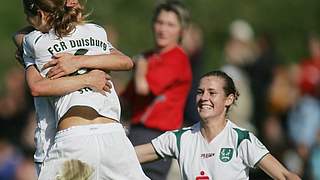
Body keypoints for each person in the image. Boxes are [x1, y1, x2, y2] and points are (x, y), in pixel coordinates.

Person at [16, 0, 149, 179]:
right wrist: (88, 77)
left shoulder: (35, 41)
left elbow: (19, 39)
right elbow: (126, 62)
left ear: (40, 14)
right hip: (113, 136)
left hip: (75, 140)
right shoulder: (96, 31)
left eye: (28, 16)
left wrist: (77, 64)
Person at [135, 70, 301, 180]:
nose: (204, 98)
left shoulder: (241, 139)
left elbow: (284, 176)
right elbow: (130, 155)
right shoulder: (180, 138)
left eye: (212, 93)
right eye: (200, 92)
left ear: (229, 99)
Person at [121, 1, 192, 179]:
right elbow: (126, 98)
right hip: (136, 130)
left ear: (181, 30)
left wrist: (140, 66)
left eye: (170, 25)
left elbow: (143, 88)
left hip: (157, 136)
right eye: (159, 22)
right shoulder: (148, 57)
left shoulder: (177, 58)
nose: (163, 29)